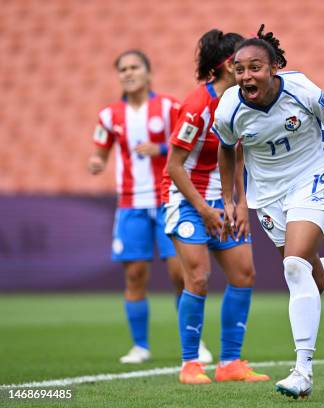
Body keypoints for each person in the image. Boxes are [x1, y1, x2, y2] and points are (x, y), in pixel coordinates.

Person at [213, 25, 324, 399]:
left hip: (313, 177)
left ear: (274, 67)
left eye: (255, 67)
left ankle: (302, 371)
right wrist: (232, 199)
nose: (247, 76)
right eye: (240, 69)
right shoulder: (229, 107)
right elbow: (226, 149)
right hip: (267, 195)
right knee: (312, 277)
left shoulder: (302, 90)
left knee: (295, 266)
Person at [88, 50, 212, 365]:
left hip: (168, 199)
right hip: (130, 204)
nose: (128, 73)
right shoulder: (109, 116)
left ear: (148, 72)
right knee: (135, 274)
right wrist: (96, 161)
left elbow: (190, 140)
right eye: (123, 69)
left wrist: (159, 148)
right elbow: (100, 150)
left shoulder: (169, 107)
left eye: (134, 67)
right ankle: (140, 346)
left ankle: (195, 343)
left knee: (178, 274)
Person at [163, 30, 269, 385]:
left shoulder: (241, 103)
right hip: (187, 201)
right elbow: (174, 166)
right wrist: (204, 209)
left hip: (221, 202)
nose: (246, 72)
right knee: (198, 277)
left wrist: (239, 204)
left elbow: (238, 156)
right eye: (240, 63)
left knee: (244, 274)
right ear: (228, 64)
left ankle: (229, 364)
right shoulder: (197, 108)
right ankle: (190, 364)